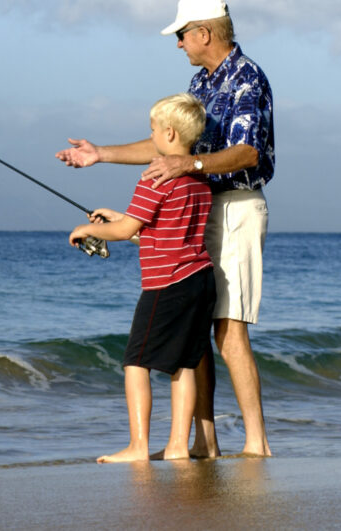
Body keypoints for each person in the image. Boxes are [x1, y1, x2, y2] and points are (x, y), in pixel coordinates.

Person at [57, 0, 274, 458]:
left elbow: (247, 152)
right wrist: (101, 155)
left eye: (181, 35)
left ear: (204, 33)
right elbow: (169, 149)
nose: (178, 44)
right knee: (195, 327)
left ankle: (256, 443)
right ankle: (203, 440)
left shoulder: (247, 78)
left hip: (236, 205)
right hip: (201, 204)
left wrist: (190, 167)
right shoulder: (200, 83)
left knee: (228, 328)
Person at [70, 93, 216, 463]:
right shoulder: (200, 179)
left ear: (168, 133)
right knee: (183, 364)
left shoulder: (155, 177)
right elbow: (161, 228)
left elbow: (126, 231)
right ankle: (179, 447)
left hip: (165, 284)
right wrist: (118, 218)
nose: (150, 136)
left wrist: (86, 228)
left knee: (136, 362)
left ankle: (138, 446)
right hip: (200, 279)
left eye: (152, 130)